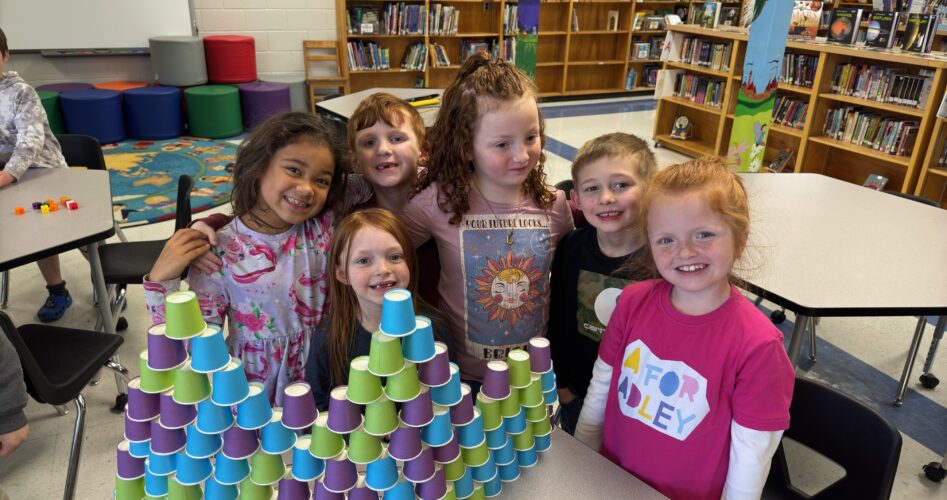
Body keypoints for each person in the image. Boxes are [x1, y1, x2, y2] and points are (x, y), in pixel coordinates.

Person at [573, 158, 795, 499]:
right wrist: (580, 464)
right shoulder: (631, 302)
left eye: (704, 235)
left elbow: (751, 458)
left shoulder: (758, 345)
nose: (685, 252)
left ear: (740, 238)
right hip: (610, 483)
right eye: (666, 240)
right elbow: (601, 388)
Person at [144, 112, 348, 405]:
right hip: (256, 392)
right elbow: (192, 344)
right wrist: (162, 281)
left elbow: (373, 181)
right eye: (293, 169)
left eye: (321, 180)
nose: (306, 188)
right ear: (259, 166)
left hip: (327, 375)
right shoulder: (219, 250)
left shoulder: (325, 227)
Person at [401, 52, 574, 385]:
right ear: (466, 147)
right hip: (459, 378)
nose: (521, 155)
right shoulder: (438, 202)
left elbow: (572, 274)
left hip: (531, 375)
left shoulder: (554, 205)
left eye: (531, 137)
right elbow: (388, 249)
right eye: (502, 144)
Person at [547, 132, 657, 435]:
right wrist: (563, 385)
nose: (606, 198)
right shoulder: (571, 248)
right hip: (578, 394)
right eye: (592, 188)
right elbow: (558, 319)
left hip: (639, 406)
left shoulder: (663, 259)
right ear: (576, 199)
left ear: (651, 188)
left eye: (620, 185)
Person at [305, 208, 453, 410]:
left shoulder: (434, 330)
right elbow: (318, 403)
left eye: (395, 257)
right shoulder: (328, 338)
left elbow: (446, 395)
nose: (383, 270)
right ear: (342, 274)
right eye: (364, 261)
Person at [0, 27, 73, 322]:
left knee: (64, 228)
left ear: (5, 55)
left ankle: (101, 277)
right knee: (29, 227)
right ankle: (58, 289)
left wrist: (6, 176)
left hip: (44, 171)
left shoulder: (22, 93)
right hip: (9, 178)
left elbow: (29, 143)